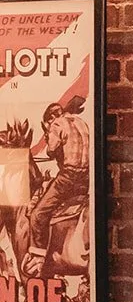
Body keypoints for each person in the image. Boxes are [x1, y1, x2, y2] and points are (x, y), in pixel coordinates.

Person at [24, 97, 90, 278]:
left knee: (38, 214)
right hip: (86, 179)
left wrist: (49, 136)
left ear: (51, 118)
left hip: (68, 177)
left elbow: (51, 150)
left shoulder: (56, 124)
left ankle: (38, 259)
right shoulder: (81, 123)